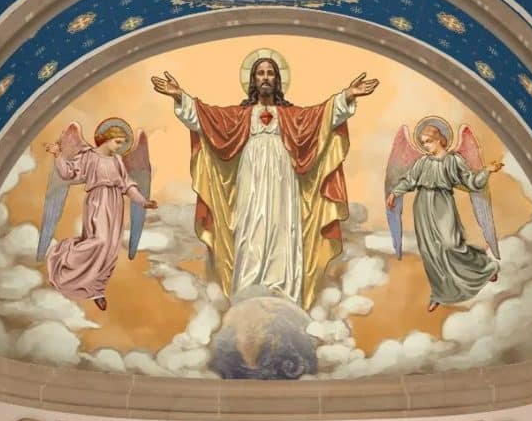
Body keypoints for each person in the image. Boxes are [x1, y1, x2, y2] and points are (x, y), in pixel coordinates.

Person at [151, 55, 378, 310]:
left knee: (284, 229)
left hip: (284, 178)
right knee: (251, 230)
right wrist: (179, 95)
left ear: (278, 80)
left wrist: (347, 94)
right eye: (260, 73)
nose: (266, 77)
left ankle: (285, 297)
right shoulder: (240, 116)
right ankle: (248, 293)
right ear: (253, 80)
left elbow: (322, 117)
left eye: (270, 73)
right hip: (251, 177)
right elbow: (206, 118)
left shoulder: (292, 116)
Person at [386, 122, 502, 312]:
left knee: (451, 244)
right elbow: (410, 181)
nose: (426, 146)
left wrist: (487, 171)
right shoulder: (423, 162)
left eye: (429, 142)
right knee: (430, 252)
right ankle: (439, 293)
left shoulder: (453, 160)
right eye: (423, 143)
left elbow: (471, 182)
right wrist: (395, 193)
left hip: (442, 204)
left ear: (440, 139)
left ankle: (486, 268)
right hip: (422, 207)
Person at [43, 123, 156, 312]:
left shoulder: (117, 160)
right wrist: (58, 155)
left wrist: (143, 202)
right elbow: (68, 173)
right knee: (100, 241)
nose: (119, 147)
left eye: (121, 144)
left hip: (115, 204)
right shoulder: (89, 156)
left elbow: (127, 185)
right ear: (107, 139)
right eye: (117, 142)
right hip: (98, 202)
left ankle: (96, 289)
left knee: (111, 249)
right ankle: (63, 257)